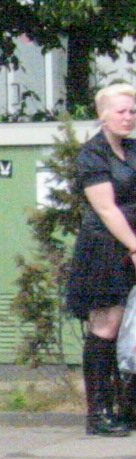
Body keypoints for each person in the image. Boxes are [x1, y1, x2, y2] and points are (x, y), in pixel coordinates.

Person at [66, 82, 136, 436]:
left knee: (130, 330)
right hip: (105, 251)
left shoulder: (133, 150)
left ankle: (128, 408)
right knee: (106, 328)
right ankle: (99, 413)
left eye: (133, 111)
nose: (128, 117)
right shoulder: (92, 155)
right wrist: (134, 248)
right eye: (121, 111)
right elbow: (107, 209)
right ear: (103, 114)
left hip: (131, 246)